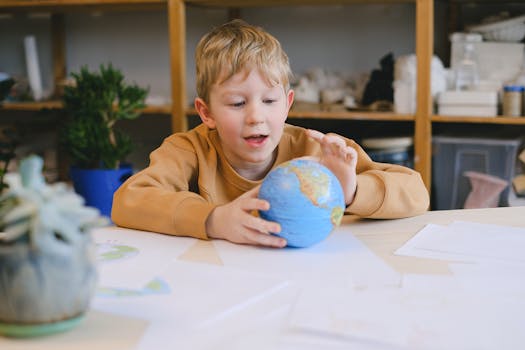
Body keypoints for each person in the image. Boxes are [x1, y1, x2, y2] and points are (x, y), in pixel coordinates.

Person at [112, 19, 429, 248]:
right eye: (237, 103)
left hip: (305, 279)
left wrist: (352, 191)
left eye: (269, 101)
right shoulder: (188, 149)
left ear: (288, 104)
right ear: (206, 112)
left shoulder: (318, 149)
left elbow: (417, 194)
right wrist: (213, 219)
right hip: (220, 284)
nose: (256, 117)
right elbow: (128, 201)